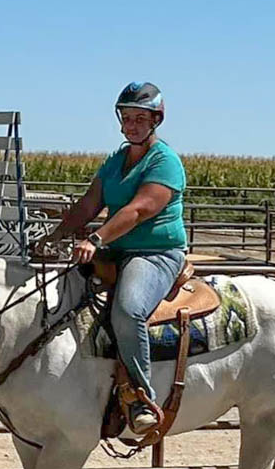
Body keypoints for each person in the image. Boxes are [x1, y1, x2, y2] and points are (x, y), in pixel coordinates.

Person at [36, 81, 187, 433]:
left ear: (156, 120)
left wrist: (95, 238)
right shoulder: (116, 161)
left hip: (155, 254)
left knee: (128, 309)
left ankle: (140, 397)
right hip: (116, 250)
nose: (131, 125)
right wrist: (54, 237)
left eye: (139, 118)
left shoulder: (166, 162)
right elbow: (89, 204)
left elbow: (139, 209)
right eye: (126, 117)